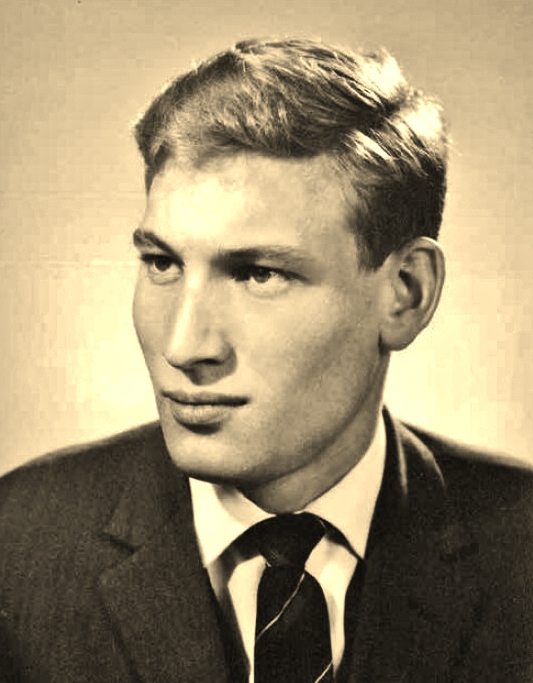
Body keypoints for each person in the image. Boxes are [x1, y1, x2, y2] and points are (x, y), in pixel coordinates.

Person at [0, 37, 532, 683]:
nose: (184, 346)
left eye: (258, 273)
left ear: (406, 293)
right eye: (162, 263)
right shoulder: (14, 544)